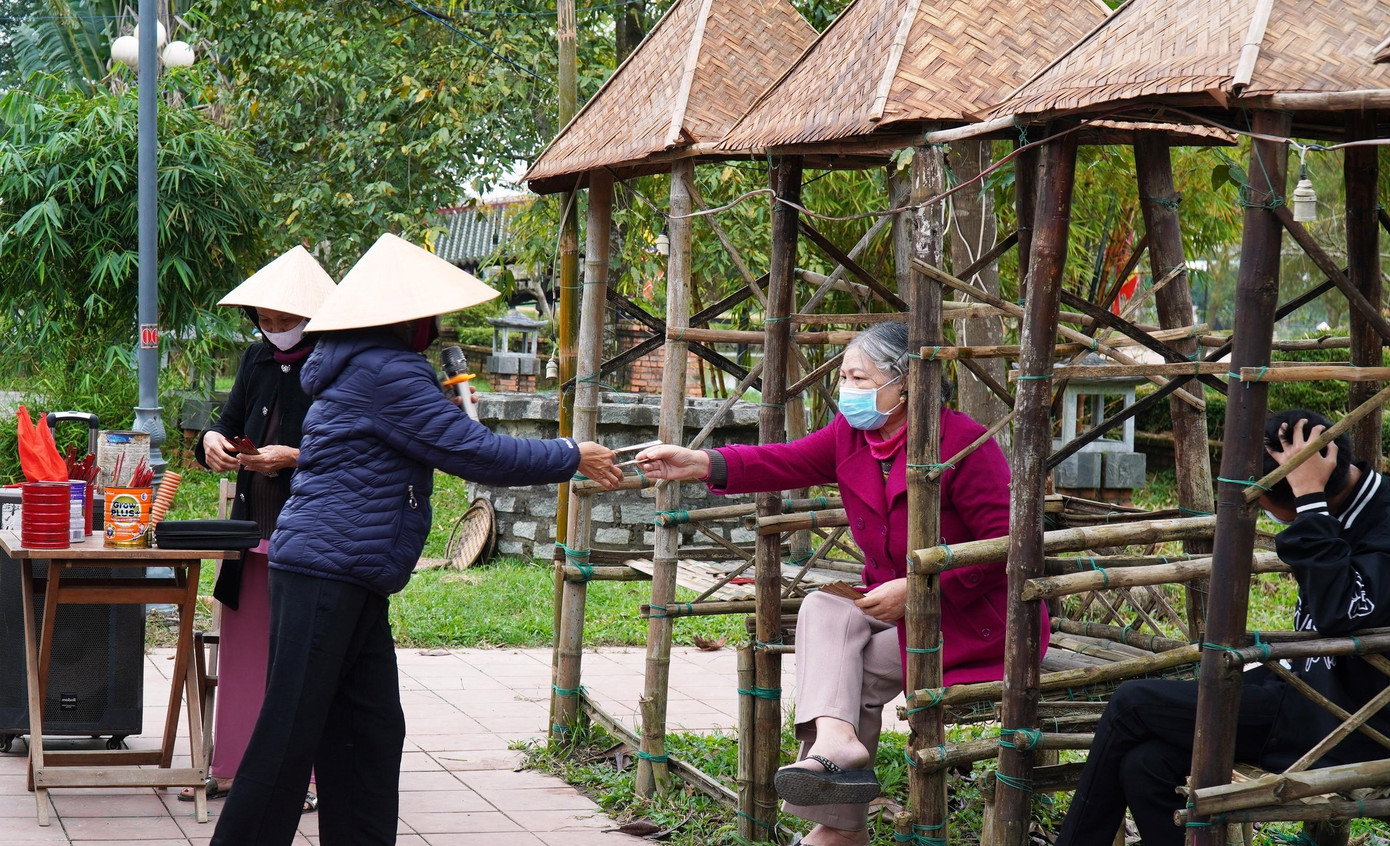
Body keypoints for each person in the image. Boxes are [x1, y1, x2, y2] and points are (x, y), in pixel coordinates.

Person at [208, 233, 623, 846]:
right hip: (330, 569)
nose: (434, 325)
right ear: (406, 318)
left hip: (350, 569)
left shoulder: (358, 361)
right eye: (428, 314)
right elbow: (472, 450)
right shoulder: (386, 370)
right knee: (289, 734)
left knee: (368, 730)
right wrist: (569, 453)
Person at [637, 321, 1035, 846]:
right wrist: (699, 462)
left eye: (858, 377)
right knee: (821, 610)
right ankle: (836, 742)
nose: (846, 389)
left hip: (971, 618)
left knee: (857, 669)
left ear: (906, 382)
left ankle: (839, 829)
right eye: (844, 376)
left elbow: (1006, 546)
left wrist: (922, 590)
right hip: (891, 600)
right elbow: (784, 459)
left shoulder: (964, 444)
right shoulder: (855, 436)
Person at [1055, 409, 1390, 846]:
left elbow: (1339, 610)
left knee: (1130, 703)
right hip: (1303, 691)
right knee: (1146, 763)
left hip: (1351, 722)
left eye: (1261, 501)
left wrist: (1308, 499)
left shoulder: (1378, 519)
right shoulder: (1346, 501)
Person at [186, 245, 336, 812]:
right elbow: (227, 422)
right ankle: (237, 767)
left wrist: (291, 457)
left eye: (285, 321)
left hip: (311, 525)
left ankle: (307, 775)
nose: (274, 330)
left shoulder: (335, 363)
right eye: (265, 321)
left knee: (298, 651)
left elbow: (349, 449)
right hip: (251, 525)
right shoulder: (254, 359)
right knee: (246, 646)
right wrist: (213, 444)